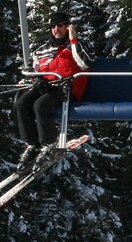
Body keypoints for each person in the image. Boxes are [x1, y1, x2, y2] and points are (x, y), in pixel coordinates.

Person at [11, 12, 91, 159]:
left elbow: (84, 63)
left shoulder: (77, 45)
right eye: (53, 26)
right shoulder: (42, 50)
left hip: (66, 87)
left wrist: (73, 40)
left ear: (68, 26)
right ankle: (32, 144)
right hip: (46, 86)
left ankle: (49, 143)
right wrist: (37, 80)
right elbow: (32, 69)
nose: (56, 29)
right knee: (21, 104)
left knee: (40, 106)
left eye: (60, 25)